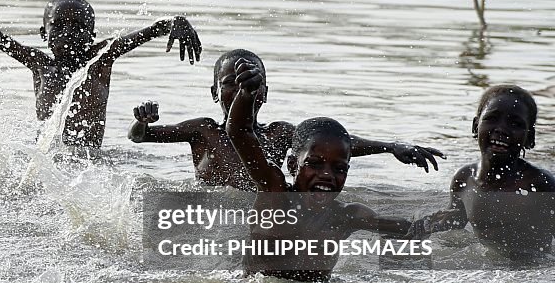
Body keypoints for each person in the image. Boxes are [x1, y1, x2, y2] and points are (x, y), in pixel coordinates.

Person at [129, 49, 445, 189]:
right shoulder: (202, 130)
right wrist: (142, 122)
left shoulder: (279, 135)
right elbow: (139, 137)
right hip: (212, 217)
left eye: (251, 84)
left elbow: (330, 145)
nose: (242, 91)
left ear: (264, 93)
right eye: (231, 83)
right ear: (214, 92)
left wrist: (391, 146)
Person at [226, 58, 409, 281]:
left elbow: (410, 229)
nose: (326, 175)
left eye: (339, 168)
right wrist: (246, 94)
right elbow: (239, 131)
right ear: (293, 165)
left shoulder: (348, 215)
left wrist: (448, 217)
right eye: (314, 164)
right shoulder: (274, 192)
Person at [0, 0, 202, 147]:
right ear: (44, 34)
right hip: (46, 160)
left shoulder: (102, 58)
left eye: (78, 26)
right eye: (58, 25)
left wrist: (175, 22)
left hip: (89, 161)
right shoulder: (39, 64)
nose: (69, 32)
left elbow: (152, 30)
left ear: (92, 35)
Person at [410, 85, 555, 260]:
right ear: (475, 126)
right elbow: (455, 221)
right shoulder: (464, 178)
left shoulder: (540, 185)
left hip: (535, 273)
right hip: (490, 269)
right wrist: (427, 226)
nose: (501, 129)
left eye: (515, 124)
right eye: (492, 118)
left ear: (529, 139)